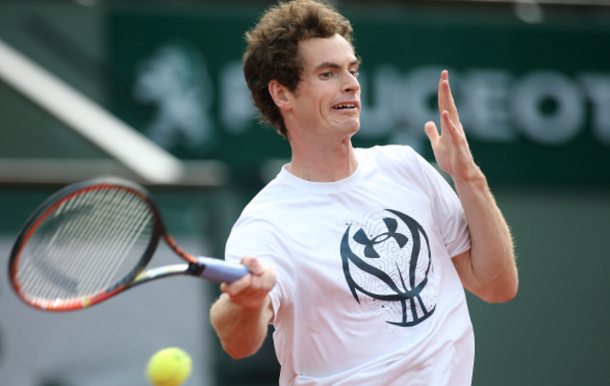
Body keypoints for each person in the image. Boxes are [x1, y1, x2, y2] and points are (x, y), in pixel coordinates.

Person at [210, 0, 518, 385]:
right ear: (282, 94)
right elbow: (237, 341)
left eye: (352, 69)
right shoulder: (266, 224)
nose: (352, 83)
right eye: (328, 73)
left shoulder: (406, 167)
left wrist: (468, 176)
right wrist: (247, 301)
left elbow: (496, 285)